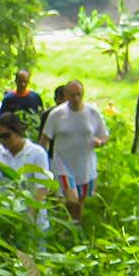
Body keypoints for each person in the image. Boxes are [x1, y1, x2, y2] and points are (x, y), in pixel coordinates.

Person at [39, 80, 109, 224]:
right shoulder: (57, 114)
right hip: (63, 163)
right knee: (72, 199)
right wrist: (41, 161)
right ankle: (70, 224)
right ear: (66, 95)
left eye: (79, 94)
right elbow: (45, 139)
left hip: (86, 165)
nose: (76, 98)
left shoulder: (92, 113)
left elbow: (104, 135)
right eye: (72, 95)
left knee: (80, 202)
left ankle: (74, 228)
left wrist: (100, 142)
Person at [0, 113, 52, 233]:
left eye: (6, 136)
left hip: (33, 223)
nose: (3, 141)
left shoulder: (37, 154)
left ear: (18, 132)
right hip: (5, 219)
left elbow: (42, 190)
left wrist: (29, 218)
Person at [0, 70, 44, 138]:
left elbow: (40, 116)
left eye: (25, 82)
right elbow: (2, 119)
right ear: (16, 81)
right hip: (14, 135)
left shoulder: (35, 97)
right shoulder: (8, 99)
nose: (23, 84)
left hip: (32, 134)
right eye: (20, 82)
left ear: (28, 81)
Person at [36, 85, 67, 160]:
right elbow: (42, 139)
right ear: (55, 99)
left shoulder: (75, 114)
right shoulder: (48, 114)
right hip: (53, 155)